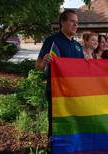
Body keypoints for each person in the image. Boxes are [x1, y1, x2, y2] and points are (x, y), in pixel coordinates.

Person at [35, 9, 84, 139]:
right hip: (56, 89)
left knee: (73, 120)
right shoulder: (52, 41)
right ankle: (53, 146)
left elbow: (81, 70)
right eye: (72, 21)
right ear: (62, 22)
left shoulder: (78, 46)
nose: (75, 25)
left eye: (77, 23)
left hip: (74, 90)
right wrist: (44, 61)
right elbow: (38, 66)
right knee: (56, 121)